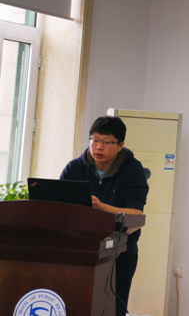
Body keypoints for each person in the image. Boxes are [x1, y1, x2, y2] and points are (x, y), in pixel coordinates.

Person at [61, 116, 149, 316]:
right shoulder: (74, 168)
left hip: (119, 252)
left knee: (113, 308)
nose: (99, 147)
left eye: (107, 142)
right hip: (79, 248)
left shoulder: (133, 170)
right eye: (95, 140)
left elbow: (136, 214)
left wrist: (101, 207)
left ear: (120, 145)